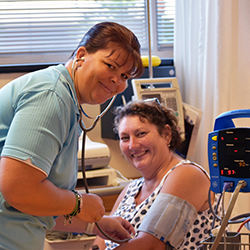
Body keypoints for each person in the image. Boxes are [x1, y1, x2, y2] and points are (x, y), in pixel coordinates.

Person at [0, 22, 143, 250]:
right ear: (82, 55)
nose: (117, 80)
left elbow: (39, 203)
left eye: (124, 75)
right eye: (110, 65)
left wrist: (96, 225)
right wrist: (78, 203)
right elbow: (19, 190)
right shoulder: (51, 97)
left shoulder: (66, 101)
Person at [93, 99, 222, 250]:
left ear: (166, 134)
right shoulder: (130, 191)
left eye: (141, 134)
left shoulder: (187, 174)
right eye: (125, 138)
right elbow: (98, 245)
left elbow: (151, 246)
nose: (132, 145)